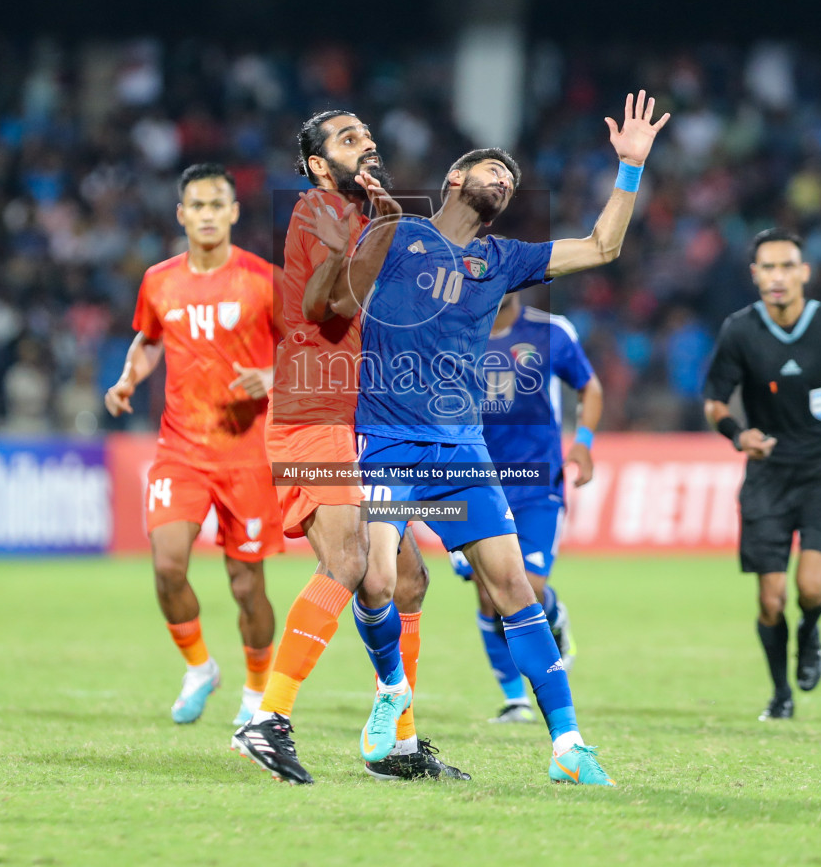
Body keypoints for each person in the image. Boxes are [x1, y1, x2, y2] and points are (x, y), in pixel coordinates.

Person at [340, 90, 668, 787]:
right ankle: (393, 691)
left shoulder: (505, 258)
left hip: (462, 452)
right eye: (494, 172)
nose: (505, 183)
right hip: (389, 442)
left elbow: (603, 245)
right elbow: (334, 282)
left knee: (515, 587)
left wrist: (630, 170)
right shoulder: (395, 235)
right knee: (375, 577)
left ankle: (569, 745)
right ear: (455, 180)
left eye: (513, 183)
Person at [231, 112, 465, 784]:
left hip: (357, 422)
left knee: (410, 580)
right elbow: (325, 304)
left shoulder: (358, 218)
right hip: (313, 415)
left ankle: (397, 741)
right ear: (315, 163)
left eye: (365, 133)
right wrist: (386, 232)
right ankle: (267, 718)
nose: (365, 142)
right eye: (346, 138)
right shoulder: (319, 210)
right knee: (348, 559)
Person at [104, 163, 285, 728]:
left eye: (217, 205)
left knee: (245, 585)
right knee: (167, 566)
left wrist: (274, 378)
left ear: (233, 212)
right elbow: (148, 338)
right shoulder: (160, 280)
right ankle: (201, 668)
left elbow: (309, 346)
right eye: (196, 206)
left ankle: (257, 694)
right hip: (180, 449)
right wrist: (129, 377)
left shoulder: (263, 280)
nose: (206, 215)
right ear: (181, 214)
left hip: (247, 454)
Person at [701, 227, 821, 721]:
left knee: (809, 589)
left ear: (804, 272)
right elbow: (714, 402)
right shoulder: (739, 330)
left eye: (787, 266)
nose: (778, 276)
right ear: (755, 275)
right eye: (768, 267)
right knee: (771, 598)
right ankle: (780, 694)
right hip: (767, 478)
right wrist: (738, 435)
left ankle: (810, 632)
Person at [448, 290, 602, 724]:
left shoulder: (551, 331)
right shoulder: (452, 334)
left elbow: (590, 387)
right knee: (486, 593)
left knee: (527, 586)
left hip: (536, 483)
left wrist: (584, 444)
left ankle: (554, 614)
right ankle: (515, 699)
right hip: (474, 481)